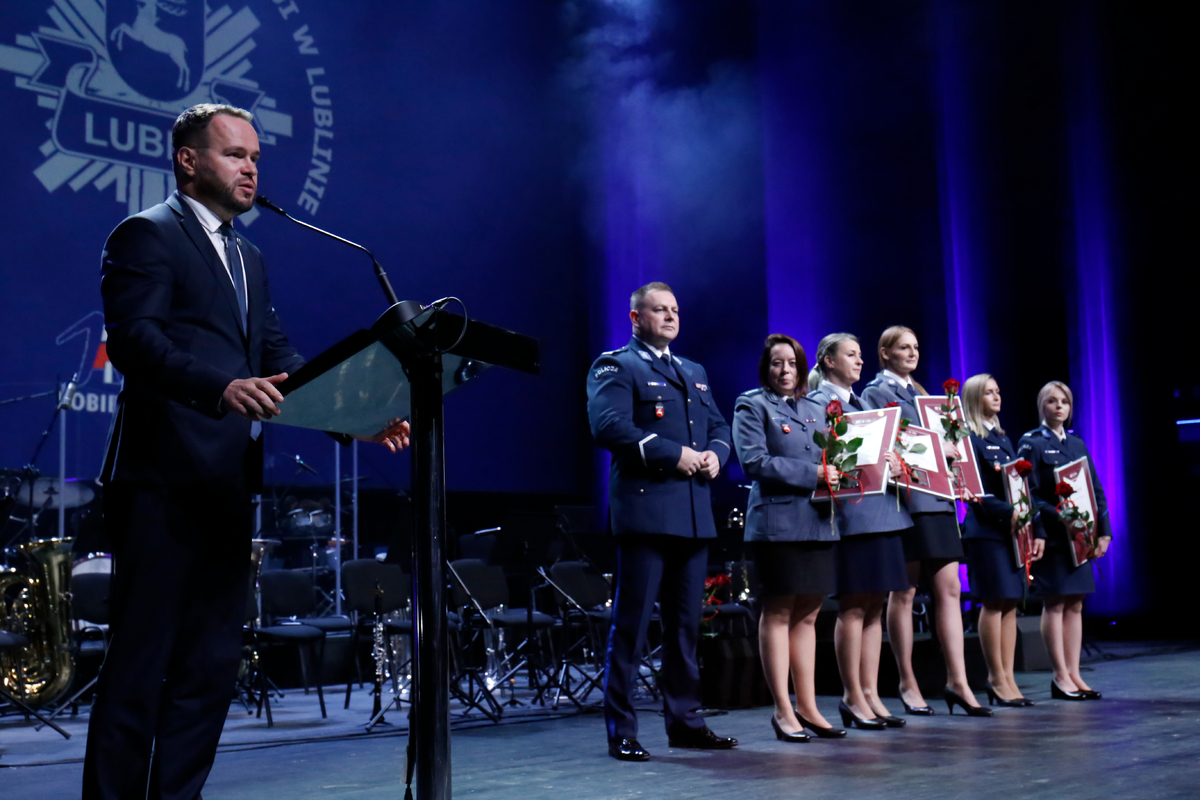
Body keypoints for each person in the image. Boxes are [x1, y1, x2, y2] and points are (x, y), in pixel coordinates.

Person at [85, 104, 409, 800]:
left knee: (208, 667)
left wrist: (354, 417)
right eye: (234, 154)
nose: (251, 168)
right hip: (161, 482)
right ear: (188, 160)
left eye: (255, 156)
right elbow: (136, 342)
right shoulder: (145, 235)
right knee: (142, 666)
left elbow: (278, 360)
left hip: (227, 487)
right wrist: (222, 389)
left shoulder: (249, 255)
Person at [586, 282, 736, 761]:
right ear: (635, 317)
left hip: (692, 515)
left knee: (686, 628)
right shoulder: (616, 364)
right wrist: (676, 455)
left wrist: (715, 454)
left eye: (675, 309)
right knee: (631, 628)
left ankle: (686, 723)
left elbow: (718, 425)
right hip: (647, 514)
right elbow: (608, 426)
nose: (671, 316)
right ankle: (622, 731)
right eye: (659, 309)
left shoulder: (692, 370)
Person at [861, 325, 990, 716]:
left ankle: (959, 682)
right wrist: (936, 449)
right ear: (885, 353)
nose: (912, 353)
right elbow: (887, 444)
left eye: (916, 346)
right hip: (906, 500)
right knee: (905, 591)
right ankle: (907, 680)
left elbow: (950, 446)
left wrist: (961, 475)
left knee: (949, 587)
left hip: (939, 499)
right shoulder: (875, 392)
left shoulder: (925, 396)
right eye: (904, 347)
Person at [732, 334, 846, 742]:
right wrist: (811, 475)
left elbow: (837, 454)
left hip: (818, 522)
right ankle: (782, 709)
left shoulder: (817, 407)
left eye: (793, 364)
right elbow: (754, 461)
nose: (785, 371)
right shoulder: (751, 403)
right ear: (766, 367)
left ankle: (809, 706)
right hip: (777, 526)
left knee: (810, 614)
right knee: (778, 613)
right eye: (777, 363)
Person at [807, 333, 909, 730]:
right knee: (853, 605)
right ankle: (851, 694)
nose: (859, 361)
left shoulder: (864, 403)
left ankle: (870, 692)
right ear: (828, 361)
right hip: (852, 516)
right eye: (851, 354)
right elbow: (819, 454)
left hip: (882, 512)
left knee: (874, 607)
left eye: (861, 355)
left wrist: (894, 463)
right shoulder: (818, 404)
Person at [1018, 381, 1112, 701]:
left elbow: (1095, 489)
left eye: (1065, 402)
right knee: (1055, 603)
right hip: (1054, 538)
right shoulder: (1031, 443)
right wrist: (1057, 518)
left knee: (1076, 604)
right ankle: (1059, 676)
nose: (1059, 407)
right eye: (1052, 401)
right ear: (1042, 406)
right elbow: (1027, 493)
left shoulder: (1077, 444)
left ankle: (1075, 673)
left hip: (1079, 538)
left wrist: (1104, 531)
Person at [961, 374, 1046, 706]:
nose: (997, 397)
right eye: (988, 392)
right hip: (987, 532)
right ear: (973, 398)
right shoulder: (969, 437)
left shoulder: (1003, 437)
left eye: (998, 391)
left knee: (1010, 604)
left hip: (1012, 531)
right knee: (994, 602)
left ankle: (1009, 678)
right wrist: (1007, 513)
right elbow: (974, 491)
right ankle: (995, 677)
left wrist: (1034, 525)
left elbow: (1022, 488)